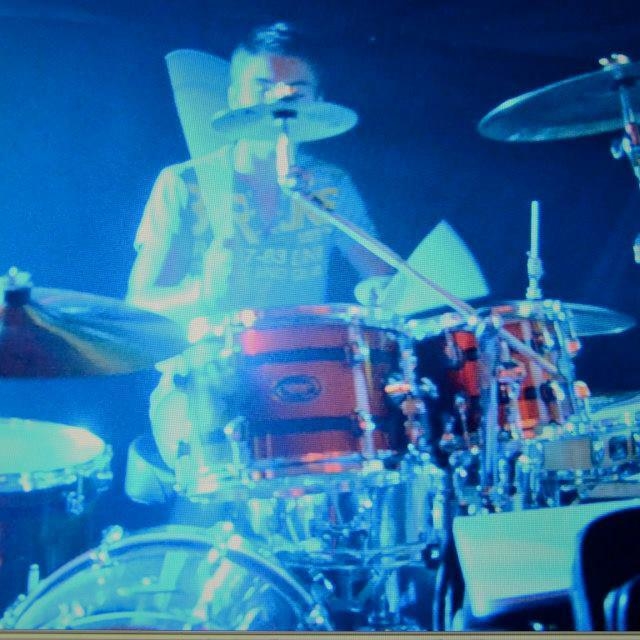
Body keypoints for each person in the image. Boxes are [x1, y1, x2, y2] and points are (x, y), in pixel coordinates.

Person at [124, 22, 393, 512]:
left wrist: (381, 294)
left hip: (306, 387)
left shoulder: (330, 186)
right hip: (203, 387)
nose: (278, 103)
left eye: (296, 91)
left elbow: (384, 280)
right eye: (263, 87)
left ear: (317, 103)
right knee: (221, 477)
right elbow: (136, 311)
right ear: (234, 98)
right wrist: (204, 291)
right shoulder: (185, 183)